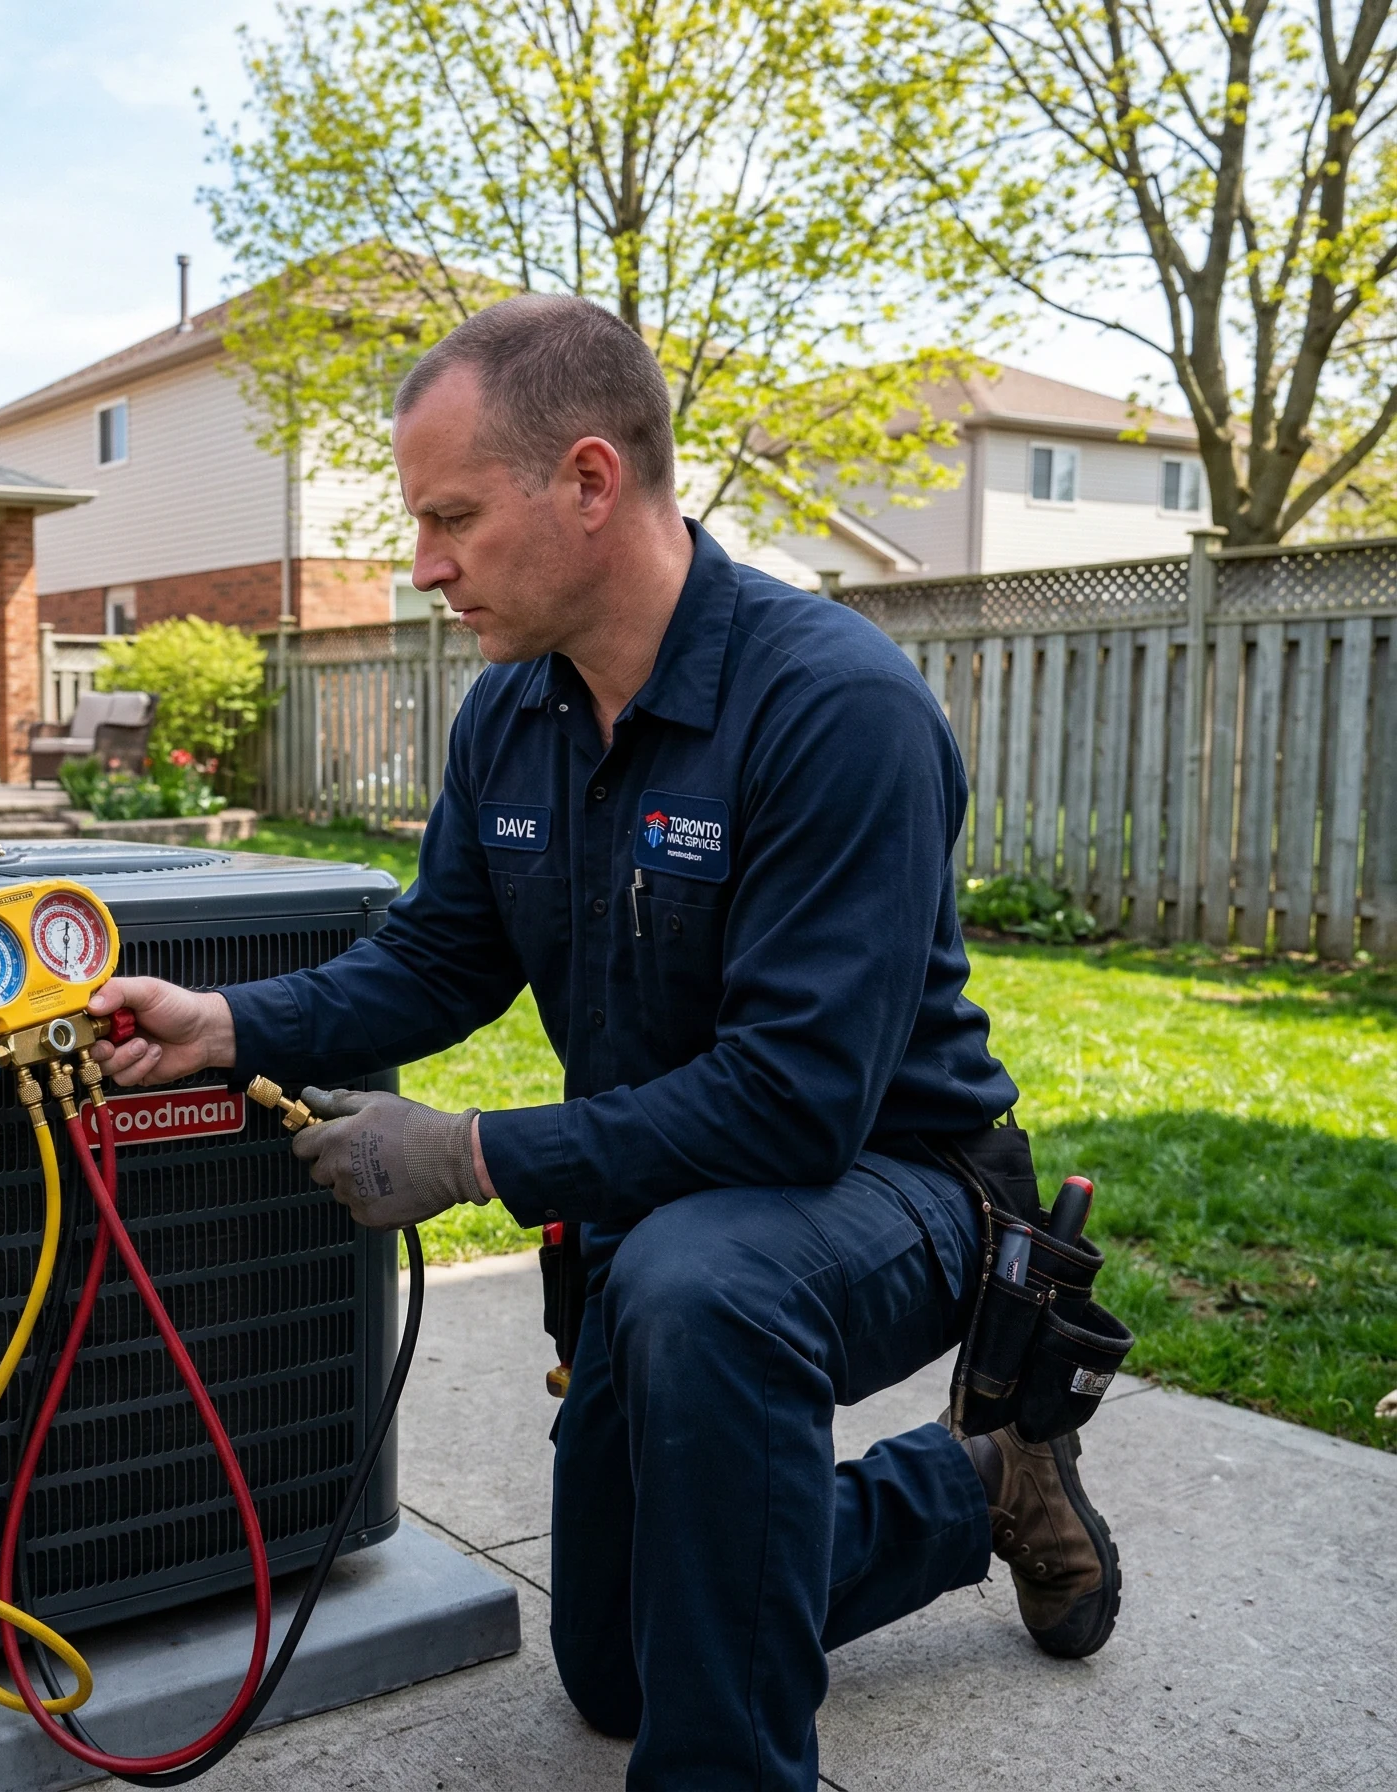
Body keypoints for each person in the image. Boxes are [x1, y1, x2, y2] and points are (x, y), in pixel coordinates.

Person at [88, 295, 1120, 1790]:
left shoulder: (833, 710)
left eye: (449, 516)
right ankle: (978, 1491)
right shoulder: (513, 715)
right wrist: (230, 1022)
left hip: (900, 1188)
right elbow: (445, 954)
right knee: (618, 1665)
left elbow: (792, 1107)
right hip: (671, 1215)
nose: (424, 563)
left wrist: (469, 1155)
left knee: (710, 1286)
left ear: (587, 481)